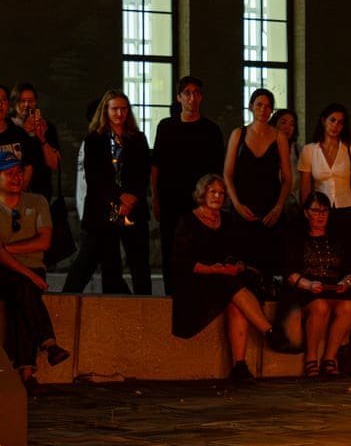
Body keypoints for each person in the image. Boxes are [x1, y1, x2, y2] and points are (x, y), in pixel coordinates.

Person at [170, 174, 279, 383]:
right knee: (231, 286)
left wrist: (237, 265)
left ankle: (239, 366)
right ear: (202, 193)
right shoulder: (188, 221)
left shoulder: (227, 220)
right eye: (213, 192)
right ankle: (269, 331)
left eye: (221, 193)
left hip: (225, 279)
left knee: (235, 301)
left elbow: (237, 252)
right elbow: (182, 262)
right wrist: (213, 270)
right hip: (198, 279)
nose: (217, 196)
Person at [63, 91, 152, 294]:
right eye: (115, 109)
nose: (120, 113)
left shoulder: (138, 138)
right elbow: (95, 177)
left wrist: (131, 198)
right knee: (103, 262)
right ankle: (68, 300)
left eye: (124, 109)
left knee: (139, 265)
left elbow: (143, 171)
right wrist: (119, 197)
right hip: (103, 209)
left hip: (133, 207)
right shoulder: (94, 140)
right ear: (106, 110)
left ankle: (145, 307)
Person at [0, 146, 68, 395]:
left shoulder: (37, 201)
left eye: (19, 172)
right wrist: (27, 273)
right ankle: (47, 344)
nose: (16, 177)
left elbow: (44, 241)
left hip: (32, 269)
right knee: (24, 287)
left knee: (21, 297)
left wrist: (6, 248)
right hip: (6, 272)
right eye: (9, 173)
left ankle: (26, 371)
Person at [150, 77, 226, 295]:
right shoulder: (166, 127)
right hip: (171, 198)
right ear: (179, 97)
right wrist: (155, 198)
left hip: (199, 200)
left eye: (196, 93)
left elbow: (217, 171)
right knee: (170, 247)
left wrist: (215, 201)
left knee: (200, 248)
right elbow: (156, 166)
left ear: (201, 97)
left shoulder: (211, 130)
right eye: (187, 93)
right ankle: (171, 294)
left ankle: (198, 294)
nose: (192, 98)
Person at [276, 191, 351, 377]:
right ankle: (311, 359)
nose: (321, 215)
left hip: (333, 288)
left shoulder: (338, 237)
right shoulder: (297, 237)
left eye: (325, 211)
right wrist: (308, 285)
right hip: (306, 289)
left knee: (349, 307)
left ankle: (330, 358)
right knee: (320, 306)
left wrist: (345, 282)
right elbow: (289, 273)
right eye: (316, 210)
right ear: (306, 213)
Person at [224, 89, 293, 293]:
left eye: (267, 106)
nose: (263, 109)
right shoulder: (238, 134)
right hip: (243, 206)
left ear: (272, 110)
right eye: (259, 105)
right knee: (242, 265)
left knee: (267, 266)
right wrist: (236, 205)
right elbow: (227, 174)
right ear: (251, 107)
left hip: (270, 207)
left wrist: (279, 207)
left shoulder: (279, 137)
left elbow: (287, 178)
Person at [298, 104, 351, 246]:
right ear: (323, 121)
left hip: (348, 208)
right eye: (332, 120)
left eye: (340, 122)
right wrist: (306, 215)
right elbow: (305, 187)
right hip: (319, 211)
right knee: (324, 251)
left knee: (349, 252)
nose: (335, 125)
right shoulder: (309, 150)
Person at [9, 83, 61, 199]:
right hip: (12, 191)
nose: (27, 105)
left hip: (41, 192)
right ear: (14, 102)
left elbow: (54, 164)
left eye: (31, 101)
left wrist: (42, 138)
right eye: (22, 101)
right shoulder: (7, 126)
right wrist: (24, 133)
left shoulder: (47, 127)